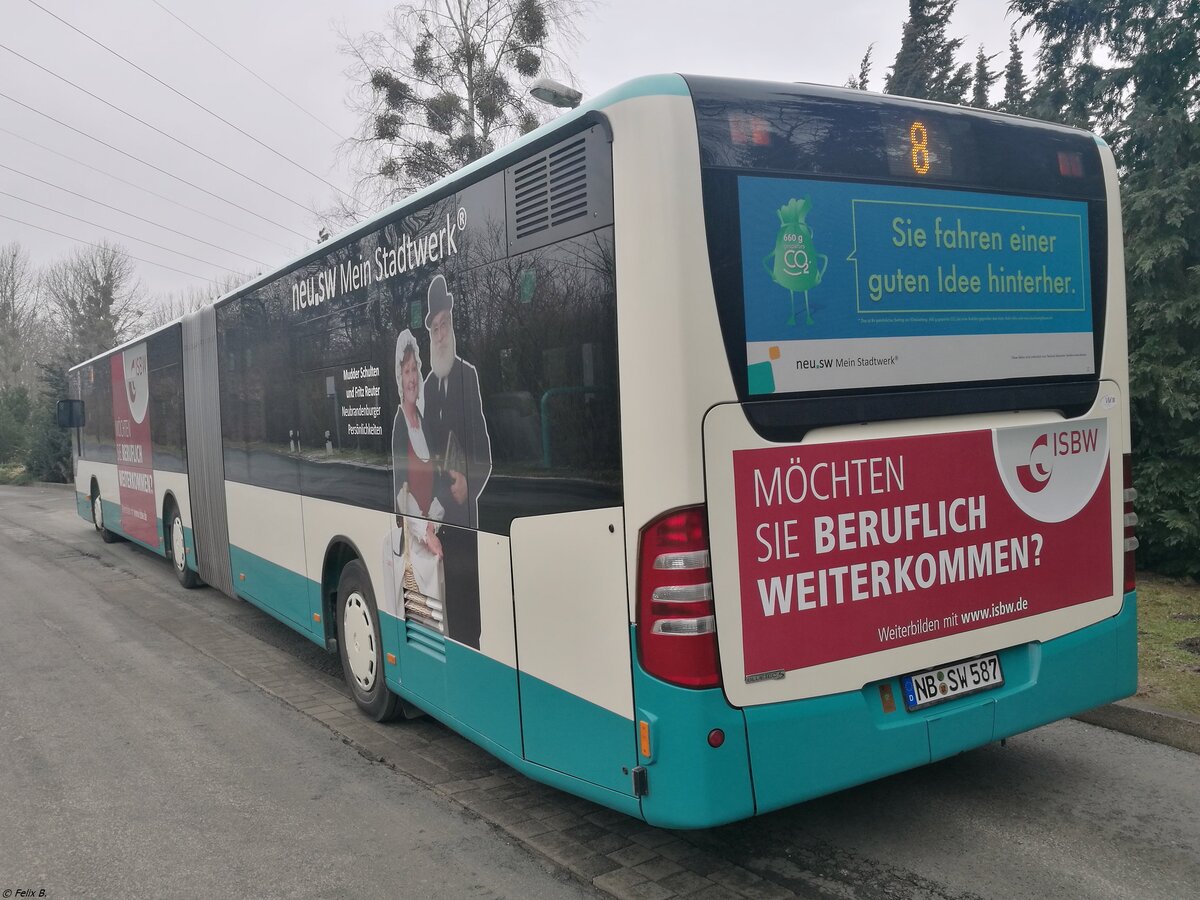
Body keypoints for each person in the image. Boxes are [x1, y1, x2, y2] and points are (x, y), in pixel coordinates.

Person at [422, 274, 492, 648]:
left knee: (469, 608)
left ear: (452, 322)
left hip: (465, 518)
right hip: (436, 517)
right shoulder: (428, 388)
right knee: (444, 609)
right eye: (434, 327)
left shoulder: (468, 376)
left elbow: (483, 451)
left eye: (444, 323)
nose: (439, 332)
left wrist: (470, 483)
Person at [391, 329, 445, 630]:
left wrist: (434, 526)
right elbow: (402, 494)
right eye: (406, 371)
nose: (411, 378)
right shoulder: (400, 426)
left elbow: (435, 484)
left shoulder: (425, 425)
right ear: (399, 378)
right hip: (416, 547)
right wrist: (426, 533)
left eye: (415, 370)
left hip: (432, 538)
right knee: (427, 620)